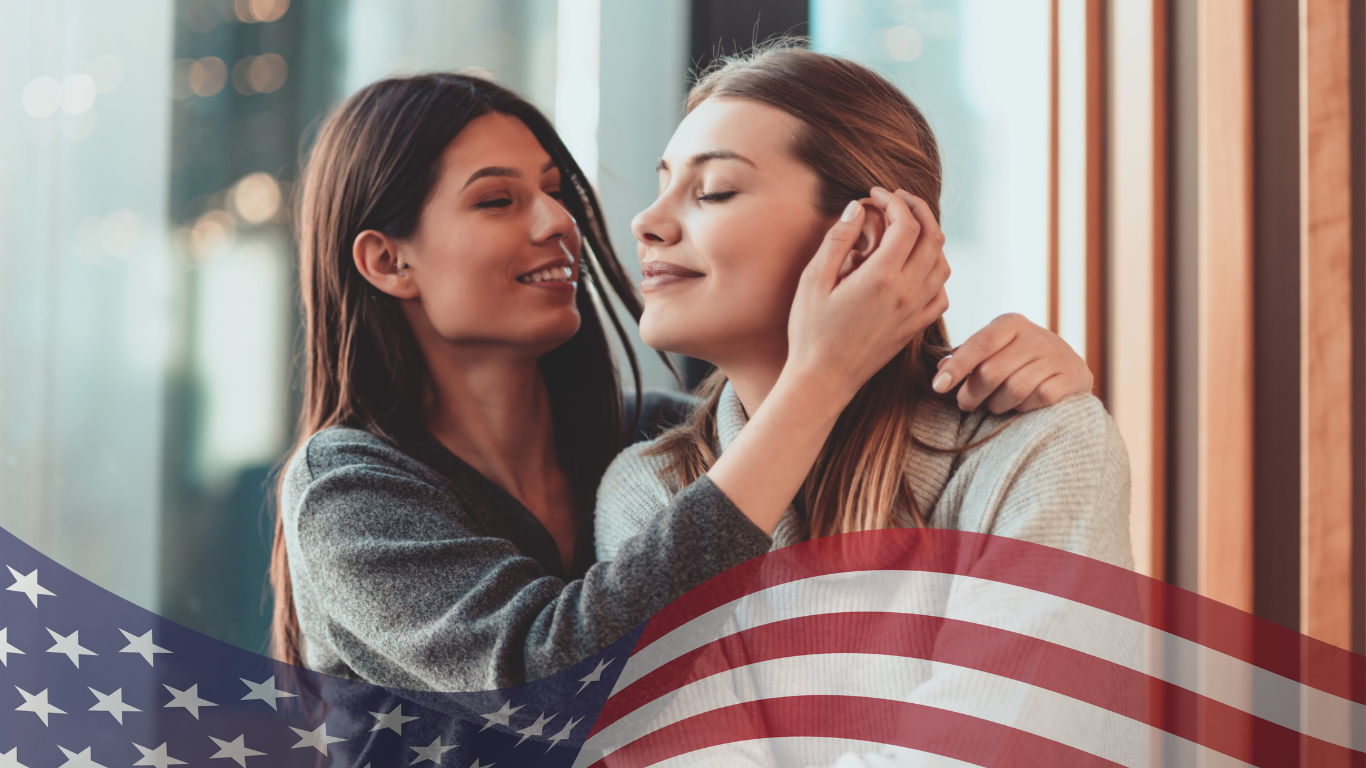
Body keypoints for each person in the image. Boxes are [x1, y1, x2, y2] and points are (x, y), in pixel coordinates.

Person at [270, 72, 1093, 703]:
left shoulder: (659, 445)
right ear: (389, 261)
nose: (562, 223)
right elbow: (551, 676)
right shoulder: (347, 492)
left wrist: (1039, 387)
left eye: (556, 191)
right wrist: (821, 373)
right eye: (497, 200)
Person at [590, 45, 1139, 767]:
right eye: (663, 186)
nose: (647, 223)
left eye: (714, 190)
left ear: (869, 237)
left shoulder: (1038, 444)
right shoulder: (649, 488)